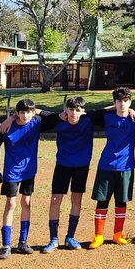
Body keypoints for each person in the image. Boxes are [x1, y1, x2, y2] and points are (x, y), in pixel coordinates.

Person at [0, 98, 48, 258]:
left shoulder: (36, 123)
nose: (25, 116)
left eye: (28, 112)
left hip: (29, 171)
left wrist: (34, 111)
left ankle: (23, 242)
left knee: (27, 203)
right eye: (21, 113)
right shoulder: (7, 127)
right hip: (11, 172)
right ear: (17, 113)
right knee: (10, 204)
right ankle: (6, 245)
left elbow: (53, 116)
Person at [87, 88, 135, 249]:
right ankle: (98, 236)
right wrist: (113, 108)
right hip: (106, 165)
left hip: (126, 166)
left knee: (121, 201)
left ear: (130, 102)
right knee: (102, 200)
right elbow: (91, 113)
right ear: (114, 103)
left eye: (126, 101)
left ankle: (118, 234)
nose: (122, 104)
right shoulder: (107, 117)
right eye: (119, 101)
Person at [39, 96, 94, 253]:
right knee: (55, 200)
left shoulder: (88, 119)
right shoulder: (58, 120)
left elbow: (112, 109)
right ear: (65, 110)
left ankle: (70, 236)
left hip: (81, 167)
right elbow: (36, 111)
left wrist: (130, 109)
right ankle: (53, 239)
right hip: (62, 165)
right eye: (70, 109)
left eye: (77, 110)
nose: (74, 113)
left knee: (76, 199)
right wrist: (13, 117)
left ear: (82, 111)